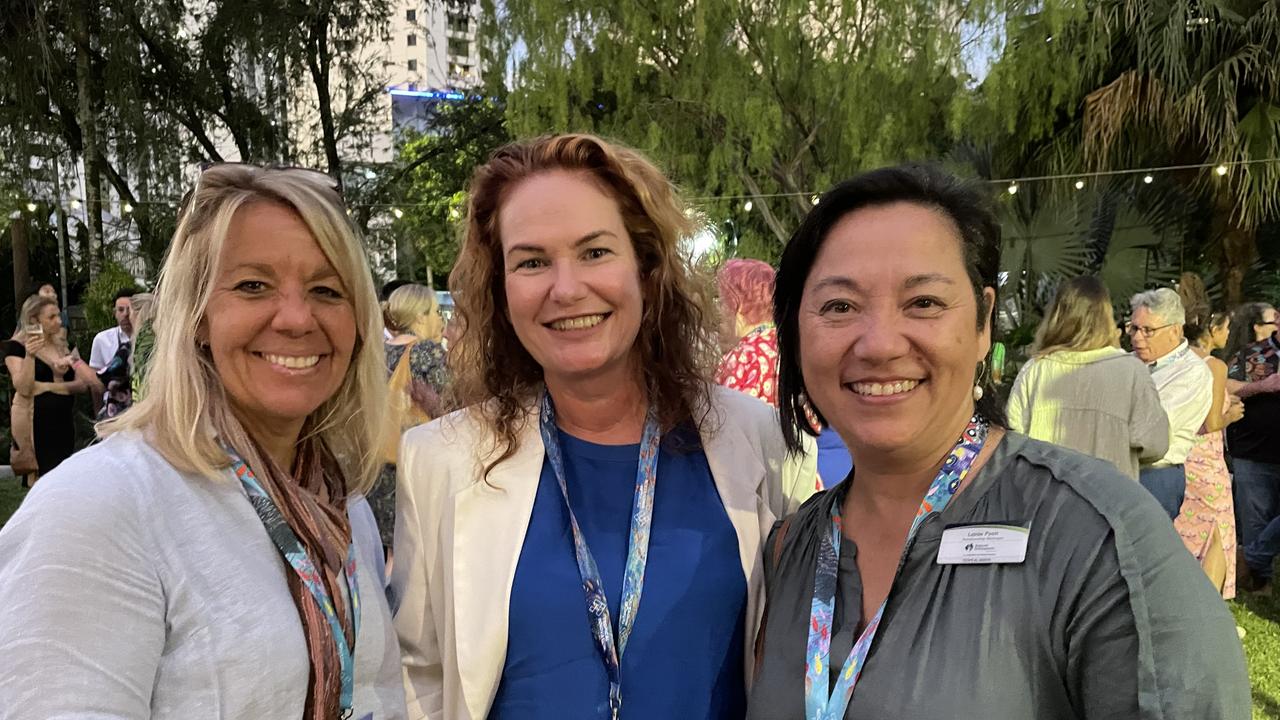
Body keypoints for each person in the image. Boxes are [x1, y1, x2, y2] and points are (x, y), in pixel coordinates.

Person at [749, 164, 1248, 719]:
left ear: (984, 323)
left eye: (924, 303)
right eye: (839, 306)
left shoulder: (1099, 543)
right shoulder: (789, 550)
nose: (880, 344)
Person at [393, 134, 817, 720]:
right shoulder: (440, 457)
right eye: (532, 261)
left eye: (595, 252)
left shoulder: (761, 440)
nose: (566, 289)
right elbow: (419, 676)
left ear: (646, 268)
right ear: (502, 287)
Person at [0, 165, 408, 718]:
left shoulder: (338, 498)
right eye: (253, 286)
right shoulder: (99, 507)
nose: (296, 318)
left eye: (326, 289)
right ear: (196, 316)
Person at [1006, 276, 1168, 480]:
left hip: (1046, 500)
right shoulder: (1131, 372)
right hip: (1110, 499)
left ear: (1056, 316)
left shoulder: (1035, 371)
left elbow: (1012, 443)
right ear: (1106, 317)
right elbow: (1156, 444)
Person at [715, 258, 850, 487]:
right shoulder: (797, 347)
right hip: (820, 481)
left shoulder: (744, 359)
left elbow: (727, 445)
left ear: (737, 306)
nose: (718, 313)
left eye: (722, 302)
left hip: (771, 494)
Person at [370, 283, 449, 555]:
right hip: (417, 462)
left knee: (390, 552)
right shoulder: (429, 352)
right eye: (436, 312)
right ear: (419, 317)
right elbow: (450, 413)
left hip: (378, 462)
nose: (440, 319)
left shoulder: (375, 351)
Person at [1171, 308, 1244, 597]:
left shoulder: (1174, 361)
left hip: (1178, 457)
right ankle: (1210, 610)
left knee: (1183, 531)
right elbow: (1212, 422)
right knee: (1216, 533)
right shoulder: (1213, 365)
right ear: (1213, 330)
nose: (1228, 334)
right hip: (1207, 461)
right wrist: (1231, 414)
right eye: (1226, 328)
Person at [1129, 288, 1214, 519]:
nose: (1137, 337)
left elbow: (1152, 431)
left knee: (1145, 551)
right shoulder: (1126, 362)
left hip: (1155, 476)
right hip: (1119, 470)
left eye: (1148, 330)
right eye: (1134, 328)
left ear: (1175, 330)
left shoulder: (1192, 373)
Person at [2, 295, 101, 478]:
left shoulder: (64, 345)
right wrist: (30, 357)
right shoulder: (16, 347)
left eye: (58, 316)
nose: (58, 321)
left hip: (65, 422)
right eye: (51, 317)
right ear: (34, 319)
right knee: (45, 479)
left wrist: (47, 387)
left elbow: (82, 385)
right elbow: (24, 387)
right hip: (37, 424)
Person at [1228, 302, 1280, 593]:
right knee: (1256, 518)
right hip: (1254, 452)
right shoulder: (1253, 353)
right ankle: (1258, 583)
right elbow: (1225, 386)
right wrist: (1264, 386)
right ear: (1276, 320)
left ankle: (1248, 559)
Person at [89, 286, 136, 372]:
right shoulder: (102, 339)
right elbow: (94, 375)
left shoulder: (148, 338)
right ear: (114, 313)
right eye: (121, 310)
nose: (126, 314)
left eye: (130, 309)